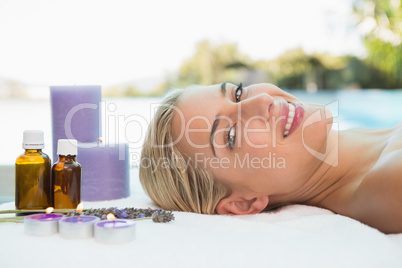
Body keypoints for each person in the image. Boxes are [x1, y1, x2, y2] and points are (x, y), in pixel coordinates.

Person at [139, 82, 402, 234]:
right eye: (230, 135)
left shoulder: (374, 145)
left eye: (238, 93)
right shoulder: (389, 183)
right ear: (243, 203)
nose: (263, 100)